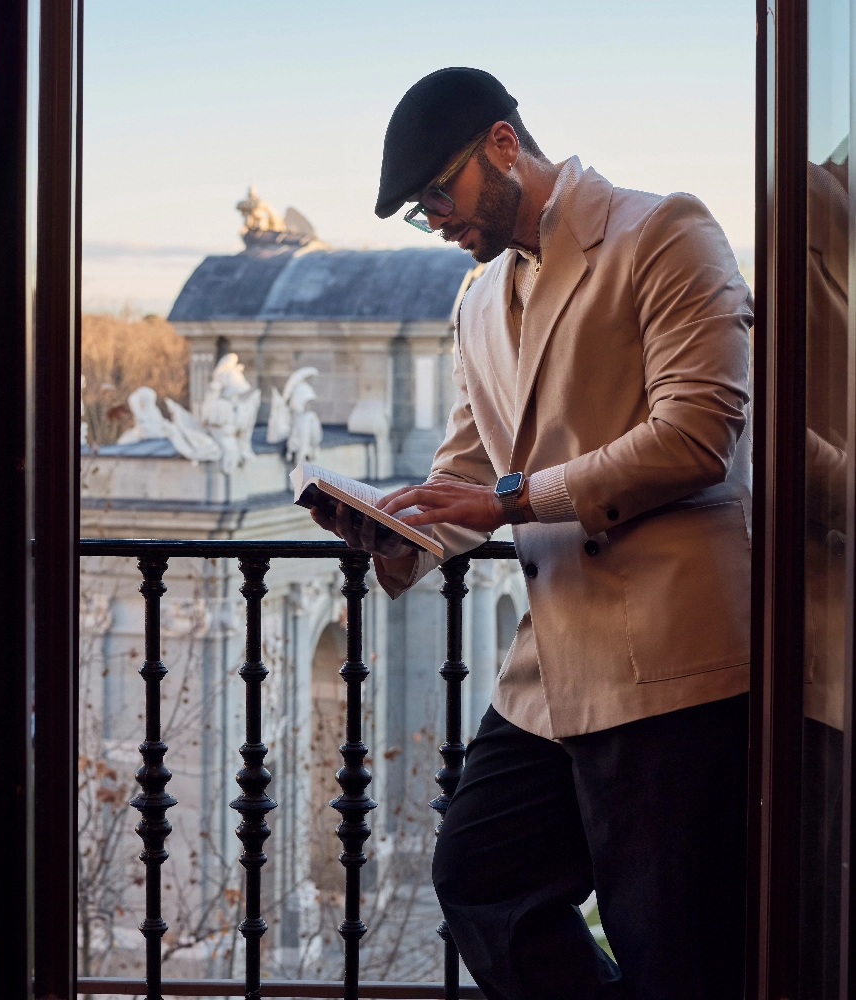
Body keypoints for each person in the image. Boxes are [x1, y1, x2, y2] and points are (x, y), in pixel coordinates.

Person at [312, 67, 753, 1000]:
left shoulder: (664, 230)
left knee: (672, 946)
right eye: (419, 210)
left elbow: (698, 436)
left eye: (440, 192)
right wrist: (395, 530)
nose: (435, 221)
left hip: (670, 657)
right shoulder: (476, 299)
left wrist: (510, 500)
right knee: (479, 880)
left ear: (504, 145)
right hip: (549, 669)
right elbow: (466, 477)